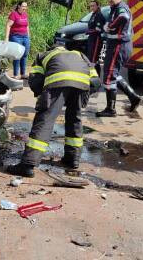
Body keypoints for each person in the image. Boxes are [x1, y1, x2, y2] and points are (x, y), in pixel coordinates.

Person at [6, 45, 100, 177]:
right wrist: (82, 95)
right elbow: (96, 81)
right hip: (82, 84)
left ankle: (28, 164)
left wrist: (43, 98)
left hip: (58, 83)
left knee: (45, 120)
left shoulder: (42, 56)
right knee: (74, 119)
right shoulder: (80, 55)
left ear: (52, 49)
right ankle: (72, 159)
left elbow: (36, 81)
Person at [95, 0, 142, 117]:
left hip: (119, 46)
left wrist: (110, 26)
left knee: (109, 76)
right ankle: (133, 97)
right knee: (114, 75)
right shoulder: (114, 8)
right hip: (117, 46)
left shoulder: (121, 7)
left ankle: (111, 109)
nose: (109, 0)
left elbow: (124, 17)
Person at [5, 1, 30, 79]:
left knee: (25, 55)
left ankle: (23, 74)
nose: (25, 8)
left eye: (26, 6)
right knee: (17, 55)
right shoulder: (14, 14)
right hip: (16, 37)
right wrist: (6, 38)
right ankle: (16, 75)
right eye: (23, 6)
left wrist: (28, 36)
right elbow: (8, 25)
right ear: (19, 6)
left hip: (25, 37)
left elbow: (27, 26)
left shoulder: (25, 14)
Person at [85, 0, 106, 69]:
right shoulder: (93, 14)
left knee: (93, 59)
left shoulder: (99, 15)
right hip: (91, 39)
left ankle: (95, 76)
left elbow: (99, 29)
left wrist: (89, 31)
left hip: (96, 40)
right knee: (90, 57)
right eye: (91, 6)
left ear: (98, 6)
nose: (92, 8)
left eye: (93, 6)